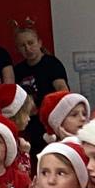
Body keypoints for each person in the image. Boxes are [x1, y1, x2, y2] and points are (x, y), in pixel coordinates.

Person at [11, 21, 69, 153]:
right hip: (30, 124)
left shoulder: (52, 64)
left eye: (31, 43)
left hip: (51, 122)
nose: (27, 48)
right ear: (18, 49)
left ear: (39, 43)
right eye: (23, 45)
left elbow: (63, 90)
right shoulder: (18, 70)